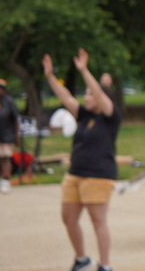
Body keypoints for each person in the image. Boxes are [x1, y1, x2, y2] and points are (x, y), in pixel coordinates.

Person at [42, 49, 121, 271]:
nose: (86, 97)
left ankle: (105, 265)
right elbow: (65, 97)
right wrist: (49, 76)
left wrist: (84, 70)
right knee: (68, 218)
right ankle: (81, 259)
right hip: (75, 173)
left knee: (98, 221)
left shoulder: (110, 117)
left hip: (98, 175)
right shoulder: (85, 116)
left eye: (89, 94)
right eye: (85, 94)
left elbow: (98, 92)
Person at [0, 78, 20, 194]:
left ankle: (5, 180)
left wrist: (16, 135)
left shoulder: (9, 102)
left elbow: (15, 120)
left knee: (5, 157)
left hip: (6, 134)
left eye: (1, 89)